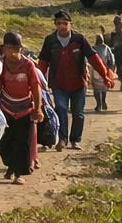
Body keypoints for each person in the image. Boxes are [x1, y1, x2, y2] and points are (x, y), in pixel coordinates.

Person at [37, 10, 111, 151]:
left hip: (79, 83)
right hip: (59, 84)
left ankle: (75, 140)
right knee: (60, 108)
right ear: (55, 25)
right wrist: (38, 83)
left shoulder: (79, 39)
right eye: (59, 23)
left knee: (78, 113)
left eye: (65, 23)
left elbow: (93, 58)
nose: (62, 26)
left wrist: (105, 75)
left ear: (71, 24)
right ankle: (63, 138)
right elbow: (43, 63)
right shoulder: (50, 41)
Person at [0, 32, 43, 184]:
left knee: (22, 142)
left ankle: (19, 173)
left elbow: (35, 86)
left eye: (16, 48)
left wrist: (38, 108)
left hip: (24, 108)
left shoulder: (28, 65)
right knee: (4, 141)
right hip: (5, 108)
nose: (13, 52)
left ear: (21, 49)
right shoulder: (1, 65)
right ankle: (11, 166)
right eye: (10, 48)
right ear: (4, 49)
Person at [106, 16, 122, 91]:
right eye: (116, 23)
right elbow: (110, 44)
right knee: (119, 69)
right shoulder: (114, 34)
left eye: (117, 23)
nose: (117, 25)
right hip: (116, 53)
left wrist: (121, 45)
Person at [90, 33, 113, 112]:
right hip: (105, 70)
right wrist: (110, 68)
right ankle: (102, 102)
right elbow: (112, 60)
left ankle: (99, 104)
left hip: (96, 71)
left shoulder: (93, 49)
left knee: (97, 89)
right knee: (103, 88)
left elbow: (88, 59)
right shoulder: (107, 48)